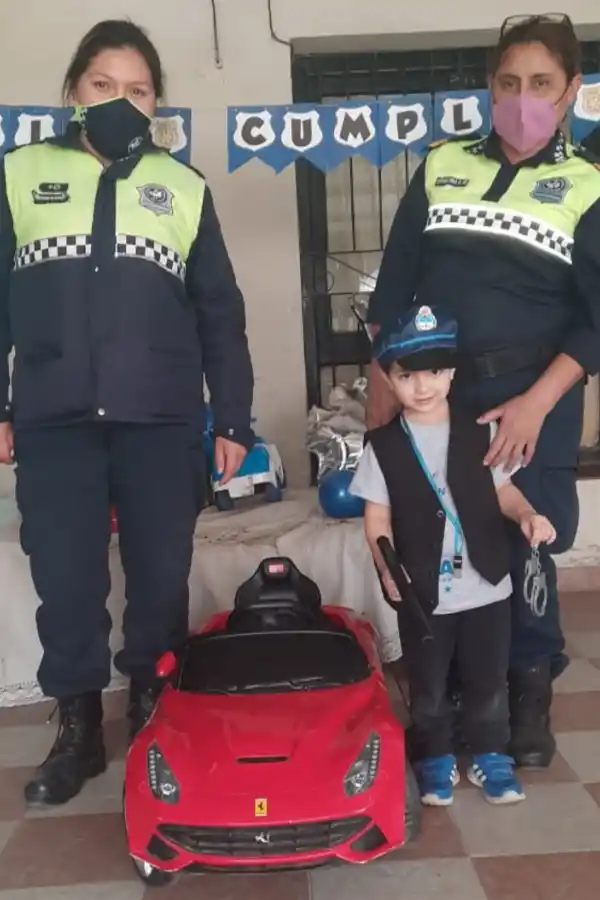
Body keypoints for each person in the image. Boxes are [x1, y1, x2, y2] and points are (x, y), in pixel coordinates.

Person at [0, 19, 254, 806]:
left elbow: (220, 312)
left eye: (138, 90)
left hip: (161, 421)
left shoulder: (183, 187)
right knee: (67, 581)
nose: (120, 100)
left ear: (157, 105)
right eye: (103, 85)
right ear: (74, 91)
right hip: (55, 421)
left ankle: (153, 708)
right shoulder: (18, 174)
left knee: (159, 579)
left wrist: (235, 423)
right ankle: (78, 729)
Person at [365, 13, 600, 770]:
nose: (522, 97)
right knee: (447, 543)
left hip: (537, 395)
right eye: (508, 82)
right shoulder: (440, 166)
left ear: (569, 94)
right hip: (438, 395)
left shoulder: (588, 184)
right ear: (488, 88)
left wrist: (537, 404)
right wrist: (388, 421)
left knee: (526, 542)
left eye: (540, 84)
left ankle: (527, 689)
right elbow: (392, 296)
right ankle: (463, 692)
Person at [351, 304, 556, 805]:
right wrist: (387, 571)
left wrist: (528, 515)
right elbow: (376, 520)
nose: (423, 386)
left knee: (489, 676)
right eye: (408, 376)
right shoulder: (382, 446)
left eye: (435, 373)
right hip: (421, 590)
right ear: (389, 378)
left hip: (488, 584)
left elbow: (503, 492)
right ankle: (435, 757)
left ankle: (491, 755)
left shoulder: (479, 430)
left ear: (452, 373)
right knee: (429, 680)